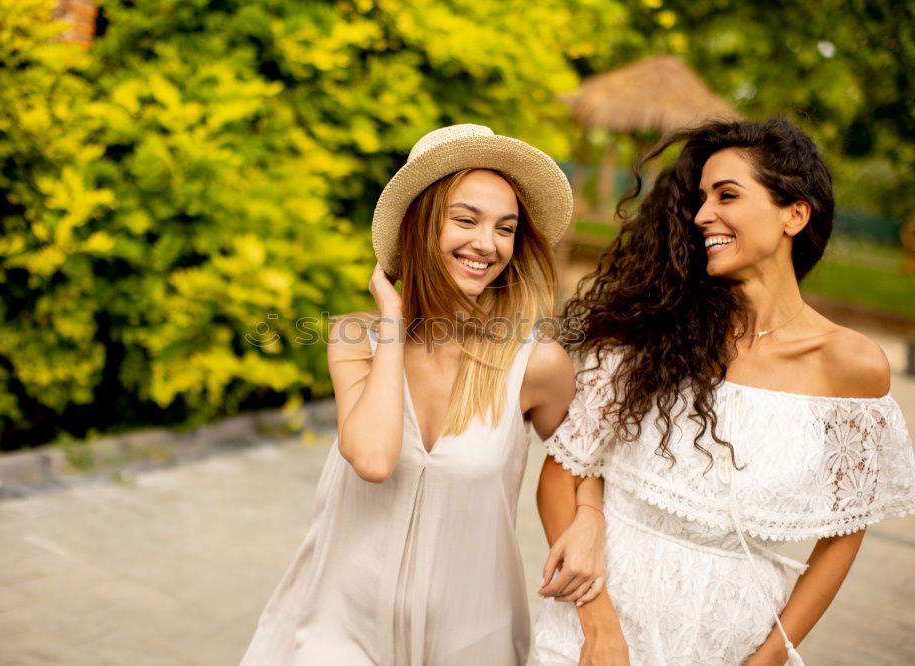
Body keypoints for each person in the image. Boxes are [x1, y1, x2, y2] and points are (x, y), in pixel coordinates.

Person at [530, 118, 915, 665]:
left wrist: (771, 656)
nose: (703, 214)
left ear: (794, 214)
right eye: (701, 198)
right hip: (595, 626)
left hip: (731, 638)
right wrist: (597, 626)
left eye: (726, 195)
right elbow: (561, 474)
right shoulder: (650, 332)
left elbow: (844, 532)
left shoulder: (851, 367)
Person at [240, 124, 602, 666]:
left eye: (505, 228)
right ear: (419, 228)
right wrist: (392, 321)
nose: (487, 244)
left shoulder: (535, 363)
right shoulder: (353, 339)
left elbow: (585, 454)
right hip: (337, 628)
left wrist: (590, 515)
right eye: (465, 219)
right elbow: (374, 457)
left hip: (471, 638)